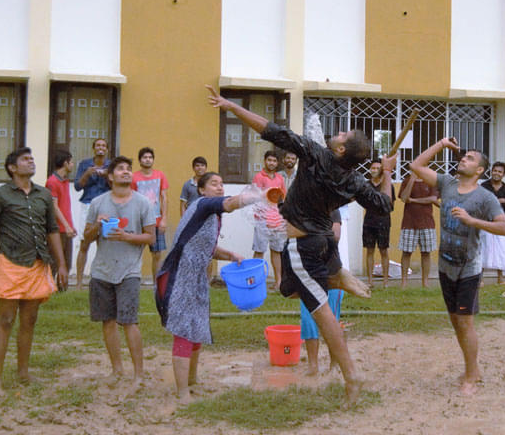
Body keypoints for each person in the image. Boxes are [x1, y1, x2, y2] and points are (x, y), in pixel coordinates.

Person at [206, 84, 394, 405]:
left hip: (303, 245)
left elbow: (271, 130)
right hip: (323, 242)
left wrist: (232, 106)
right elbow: (384, 204)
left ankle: (352, 376)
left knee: (321, 313)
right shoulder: (354, 180)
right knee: (287, 289)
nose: (338, 133)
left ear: (339, 150)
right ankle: (336, 275)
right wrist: (387, 174)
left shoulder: (315, 153)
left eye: (342, 134)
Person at [410, 138, 505, 396]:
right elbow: (416, 165)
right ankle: (471, 370)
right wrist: (441, 145)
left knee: (465, 323)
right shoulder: (447, 183)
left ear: (479, 171)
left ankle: (471, 374)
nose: (463, 159)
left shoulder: (485, 197)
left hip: (468, 269)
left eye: (470, 159)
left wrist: (472, 220)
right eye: (464, 157)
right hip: (446, 266)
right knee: (455, 322)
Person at [0, 147, 67, 396]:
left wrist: (62, 264)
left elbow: (52, 231)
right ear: (12, 167)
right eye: (25, 159)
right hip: (9, 263)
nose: (31, 162)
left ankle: (23, 372)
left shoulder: (44, 195)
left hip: (37, 264)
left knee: (29, 321)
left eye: (32, 158)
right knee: (6, 320)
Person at [156, 172, 254, 404]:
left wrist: (229, 254)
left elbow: (205, 245)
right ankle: (182, 393)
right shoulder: (202, 204)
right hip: (179, 275)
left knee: (197, 328)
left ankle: (191, 382)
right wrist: (257, 196)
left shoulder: (212, 214)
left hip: (197, 277)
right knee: (183, 331)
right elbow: (230, 203)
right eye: (214, 184)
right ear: (201, 190)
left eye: (222, 183)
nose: (219, 188)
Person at [83, 156, 156, 386]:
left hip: (129, 270)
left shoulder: (143, 203)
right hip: (102, 270)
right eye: (120, 169)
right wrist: (97, 225)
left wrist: (127, 236)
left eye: (128, 169)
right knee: (107, 321)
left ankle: (139, 374)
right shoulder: (98, 203)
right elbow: (86, 236)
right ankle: (116, 370)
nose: (126, 172)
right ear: (111, 176)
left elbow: (151, 237)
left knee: (129, 321)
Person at [301, 209, 344, 375]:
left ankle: (335, 364)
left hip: (331, 273)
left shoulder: (331, 208)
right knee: (307, 319)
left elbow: (335, 236)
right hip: (306, 274)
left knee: (332, 321)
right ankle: (313, 365)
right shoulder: (299, 209)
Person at [74, 138, 111, 289]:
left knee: (107, 243)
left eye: (103, 145)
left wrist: (107, 176)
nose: (100, 148)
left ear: (107, 149)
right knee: (85, 242)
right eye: (98, 145)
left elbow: (116, 185)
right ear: (93, 149)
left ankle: (106, 280)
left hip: (107, 206)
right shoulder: (84, 164)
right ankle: (78, 282)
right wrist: (87, 174)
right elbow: (77, 186)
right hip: (88, 204)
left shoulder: (112, 165)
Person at [252, 150, 287, 290]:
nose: (271, 163)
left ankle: (278, 282)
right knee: (259, 250)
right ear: (264, 161)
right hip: (261, 219)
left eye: (274, 161)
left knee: (276, 250)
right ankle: (255, 281)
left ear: (277, 163)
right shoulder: (258, 177)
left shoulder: (280, 178)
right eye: (269, 160)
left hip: (277, 219)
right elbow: (254, 196)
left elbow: (283, 197)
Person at [131, 146, 169, 278]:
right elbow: (131, 199)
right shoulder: (133, 177)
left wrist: (164, 219)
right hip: (138, 221)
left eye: (150, 157)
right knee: (135, 252)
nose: (147, 160)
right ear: (140, 160)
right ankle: (134, 280)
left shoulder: (160, 175)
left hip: (156, 221)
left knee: (157, 253)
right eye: (145, 157)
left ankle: (156, 285)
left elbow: (164, 197)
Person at [398, 172, 440, 288]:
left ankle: (425, 282)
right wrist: (412, 180)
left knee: (426, 253)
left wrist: (414, 200)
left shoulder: (431, 181)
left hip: (427, 222)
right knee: (406, 253)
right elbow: (404, 198)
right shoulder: (406, 180)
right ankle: (404, 282)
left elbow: (432, 199)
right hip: (409, 222)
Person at [45, 149, 76, 284]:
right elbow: (54, 206)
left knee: (67, 262)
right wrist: (67, 226)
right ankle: (49, 288)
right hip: (57, 229)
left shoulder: (65, 181)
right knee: (55, 262)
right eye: (71, 162)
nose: (73, 164)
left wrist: (70, 226)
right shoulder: (52, 182)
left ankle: (62, 290)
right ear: (65, 163)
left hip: (66, 228)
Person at [362, 158, 395, 288]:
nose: (374, 170)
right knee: (369, 251)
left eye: (377, 168)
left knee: (383, 251)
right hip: (369, 222)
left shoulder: (387, 185)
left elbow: (391, 205)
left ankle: (385, 281)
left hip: (384, 222)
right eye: (372, 168)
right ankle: (370, 281)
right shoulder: (365, 185)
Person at [480, 161, 505, 285]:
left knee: (501, 251)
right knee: (483, 250)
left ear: (503, 174)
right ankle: (480, 279)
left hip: (501, 224)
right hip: (486, 222)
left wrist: (494, 201)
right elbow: (481, 203)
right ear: (491, 171)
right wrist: (499, 200)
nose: (496, 173)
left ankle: (500, 279)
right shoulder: (483, 186)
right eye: (495, 171)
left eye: (500, 172)